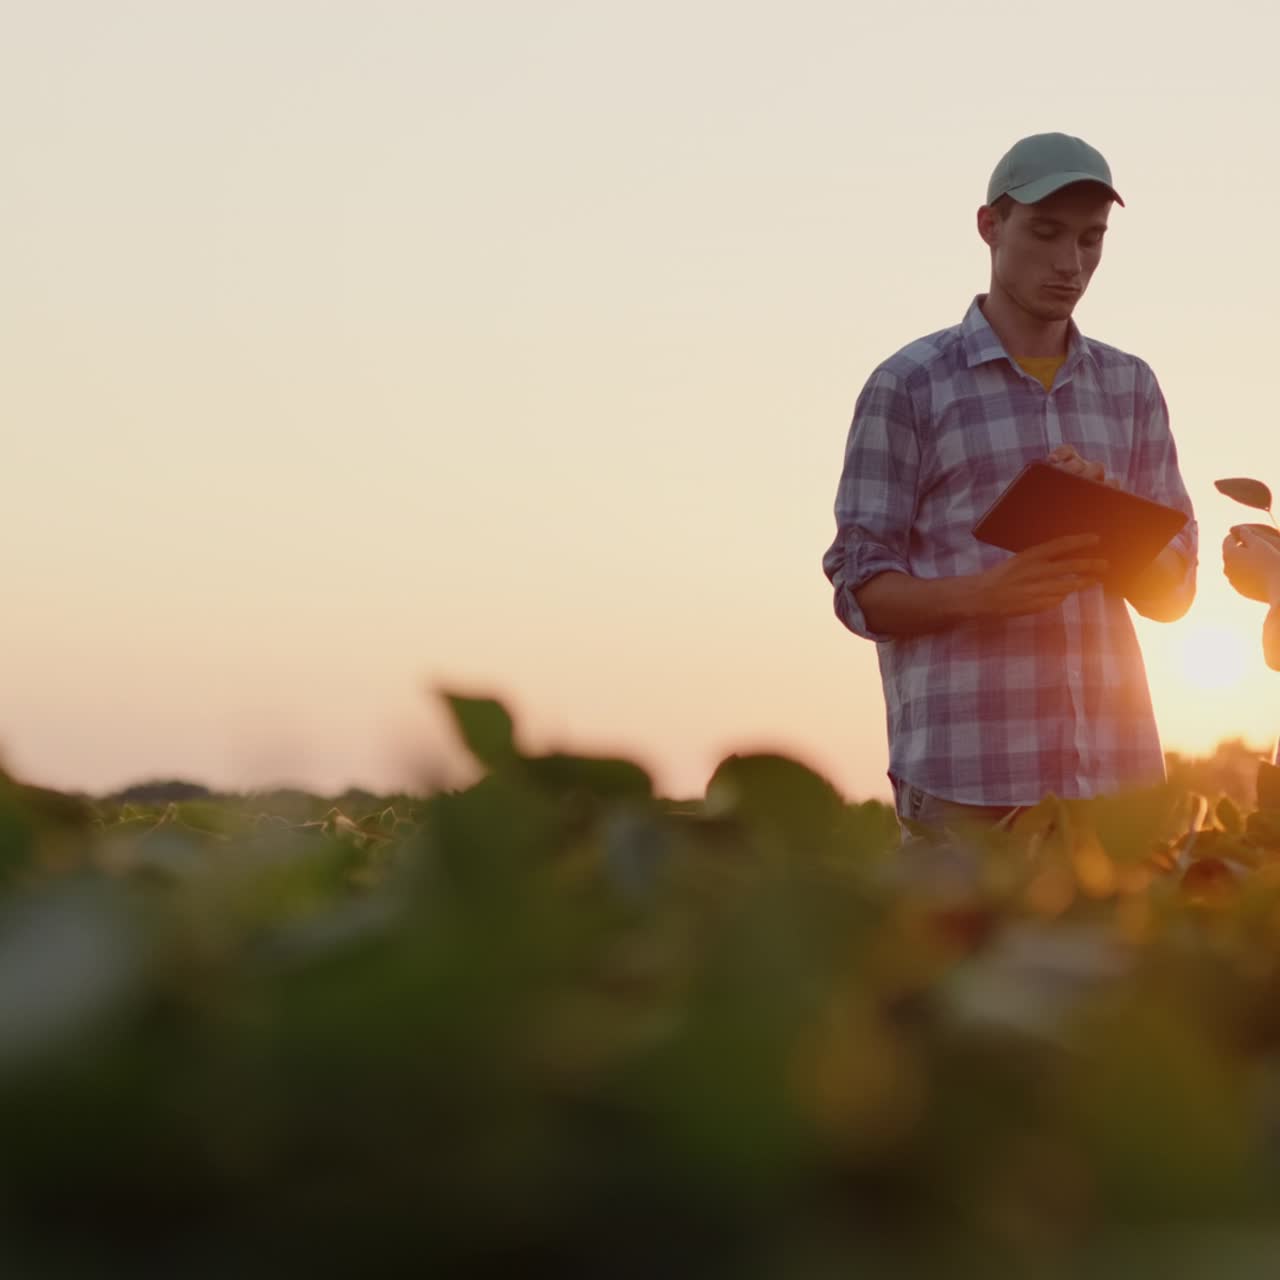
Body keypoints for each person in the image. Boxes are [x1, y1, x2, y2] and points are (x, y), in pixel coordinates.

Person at [822, 131, 1198, 833]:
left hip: (1118, 788)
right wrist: (986, 595)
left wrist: (1106, 520)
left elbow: (1174, 594)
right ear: (989, 227)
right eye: (1047, 233)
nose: (1071, 262)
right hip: (968, 779)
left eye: (1091, 239)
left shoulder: (1131, 386)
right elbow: (859, 588)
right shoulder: (909, 384)